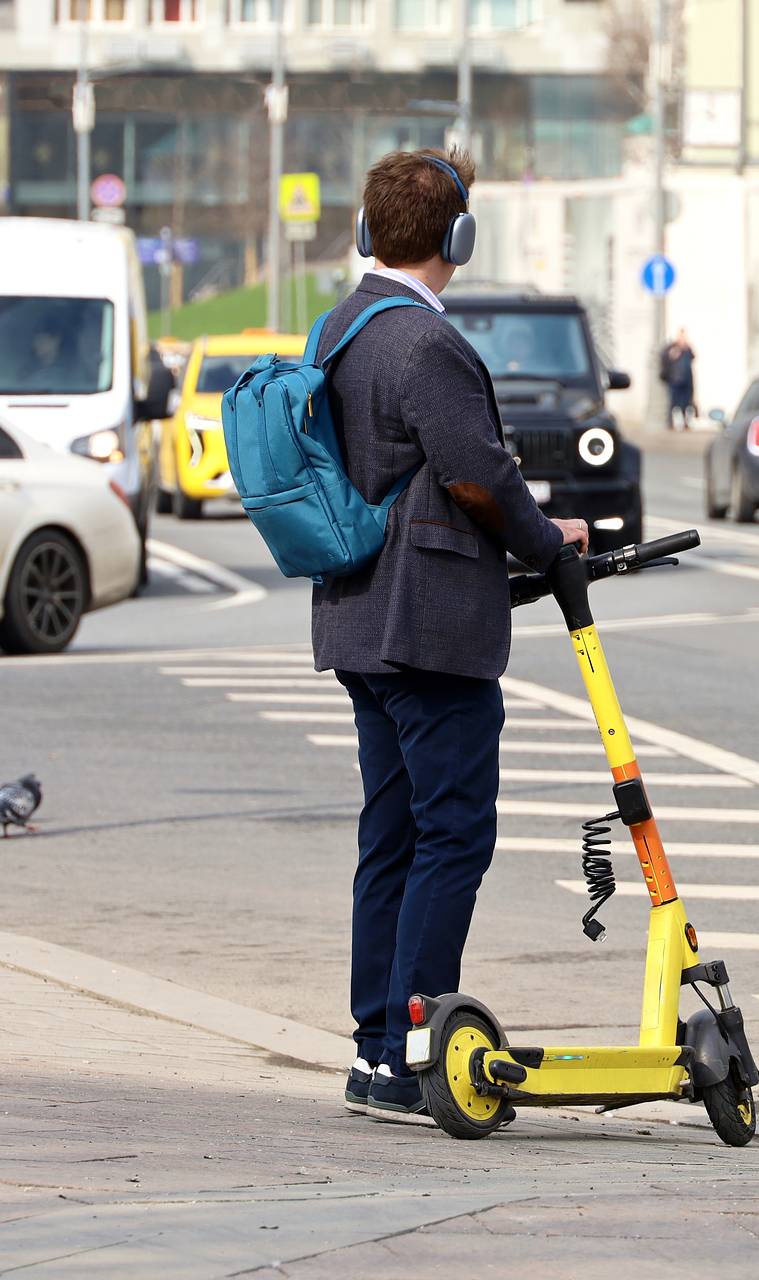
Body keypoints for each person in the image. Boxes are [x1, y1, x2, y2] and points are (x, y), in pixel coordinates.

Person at [314, 147, 589, 1124]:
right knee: (451, 833)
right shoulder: (423, 344)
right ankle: (416, 1048)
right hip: (425, 628)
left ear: (366, 230)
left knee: (390, 837)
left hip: (356, 619)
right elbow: (473, 471)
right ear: (457, 236)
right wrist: (542, 535)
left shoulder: (340, 324)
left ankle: (374, 1049)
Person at [662, 328, 696, 429]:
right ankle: (670, 423)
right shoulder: (672, 348)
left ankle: (686, 422)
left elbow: (693, 357)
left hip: (687, 380)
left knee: (686, 403)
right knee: (673, 402)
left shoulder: (687, 348)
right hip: (675, 379)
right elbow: (666, 359)